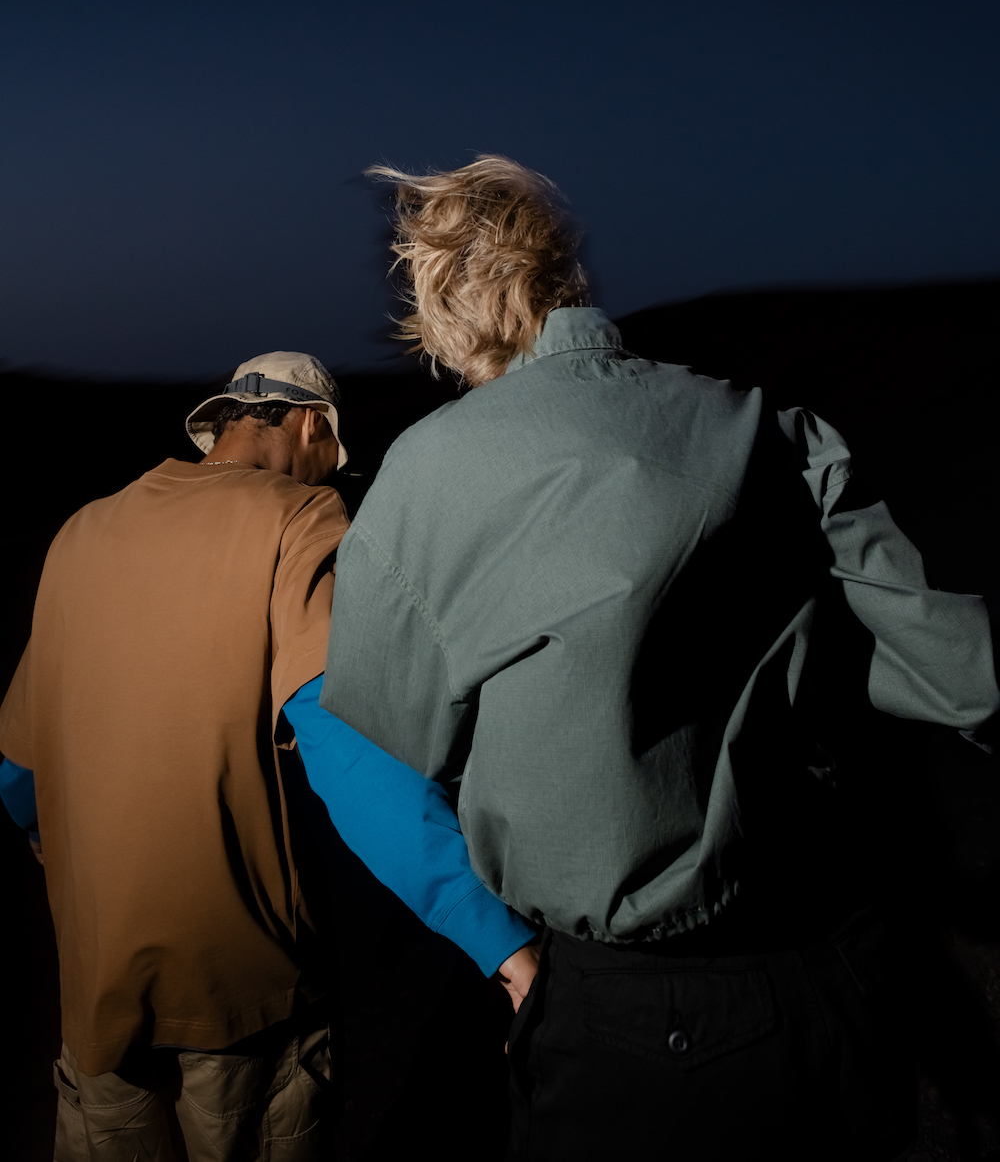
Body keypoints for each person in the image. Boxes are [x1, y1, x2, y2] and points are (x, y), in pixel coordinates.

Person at [318, 156, 1000, 1162]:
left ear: (445, 299)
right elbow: (959, 672)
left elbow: (393, 737)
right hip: (839, 973)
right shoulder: (770, 424)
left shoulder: (428, 474)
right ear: (564, 271)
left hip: (644, 1020)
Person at [0, 350, 535, 1162]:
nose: (332, 479)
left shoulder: (81, 531)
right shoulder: (300, 519)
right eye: (333, 459)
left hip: (96, 1004)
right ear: (311, 425)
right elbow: (351, 753)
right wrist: (501, 942)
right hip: (243, 1008)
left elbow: (18, 774)